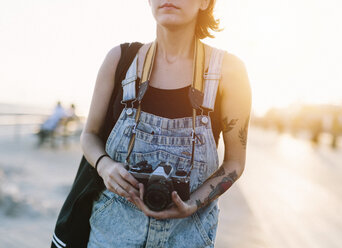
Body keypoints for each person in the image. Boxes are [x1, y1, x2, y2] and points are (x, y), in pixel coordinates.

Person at [80, 0, 251, 247]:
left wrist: (192, 204)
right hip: (111, 234)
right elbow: (89, 135)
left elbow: (235, 162)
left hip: (188, 235)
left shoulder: (229, 71)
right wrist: (104, 165)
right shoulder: (120, 60)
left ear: (205, 2)